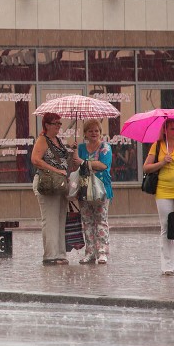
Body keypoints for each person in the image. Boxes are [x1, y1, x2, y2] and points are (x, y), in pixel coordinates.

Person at [143, 118, 174, 276]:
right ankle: (167, 266)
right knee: (166, 227)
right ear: (165, 130)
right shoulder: (157, 146)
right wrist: (162, 162)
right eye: (172, 129)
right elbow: (146, 167)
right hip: (163, 191)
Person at [30, 113, 71, 266]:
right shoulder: (42, 140)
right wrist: (54, 169)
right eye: (56, 123)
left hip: (60, 184)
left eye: (60, 123)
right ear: (47, 125)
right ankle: (50, 255)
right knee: (50, 219)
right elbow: (35, 159)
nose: (59, 126)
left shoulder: (58, 141)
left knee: (61, 218)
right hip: (47, 183)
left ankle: (60, 253)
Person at [72, 119, 113, 265]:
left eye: (96, 130)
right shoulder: (82, 148)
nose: (94, 133)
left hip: (101, 189)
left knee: (101, 221)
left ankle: (102, 252)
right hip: (84, 189)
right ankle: (90, 252)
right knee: (87, 222)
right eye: (90, 131)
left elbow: (103, 165)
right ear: (85, 134)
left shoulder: (105, 147)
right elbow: (75, 164)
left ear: (100, 133)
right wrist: (75, 151)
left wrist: (84, 162)